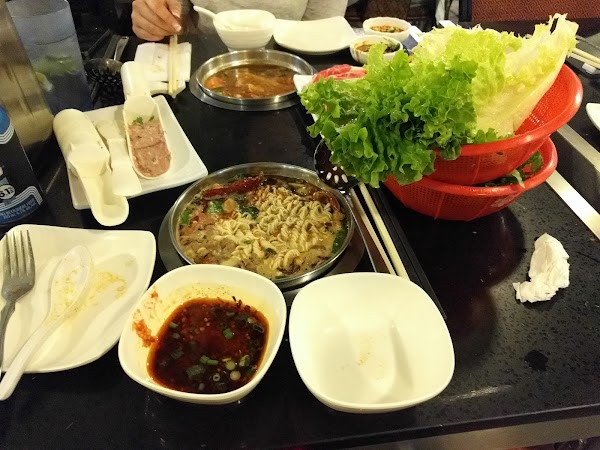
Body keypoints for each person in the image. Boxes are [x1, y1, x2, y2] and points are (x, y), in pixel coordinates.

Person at [132, 0, 348, 41]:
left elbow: (323, 33)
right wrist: (156, 19)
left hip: (296, 76)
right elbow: (177, 18)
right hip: (201, 67)